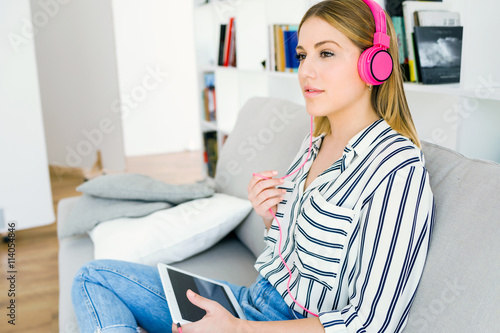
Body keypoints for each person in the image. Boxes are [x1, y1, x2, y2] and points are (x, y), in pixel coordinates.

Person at [71, 0, 435, 332]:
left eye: (326, 54)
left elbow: (372, 323)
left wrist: (240, 330)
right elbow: (291, 254)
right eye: (303, 54)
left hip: (280, 327)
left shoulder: (397, 169)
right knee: (94, 277)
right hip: (251, 303)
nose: (305, 70)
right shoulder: (315, 143)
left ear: (375, 63)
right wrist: (270, 217)